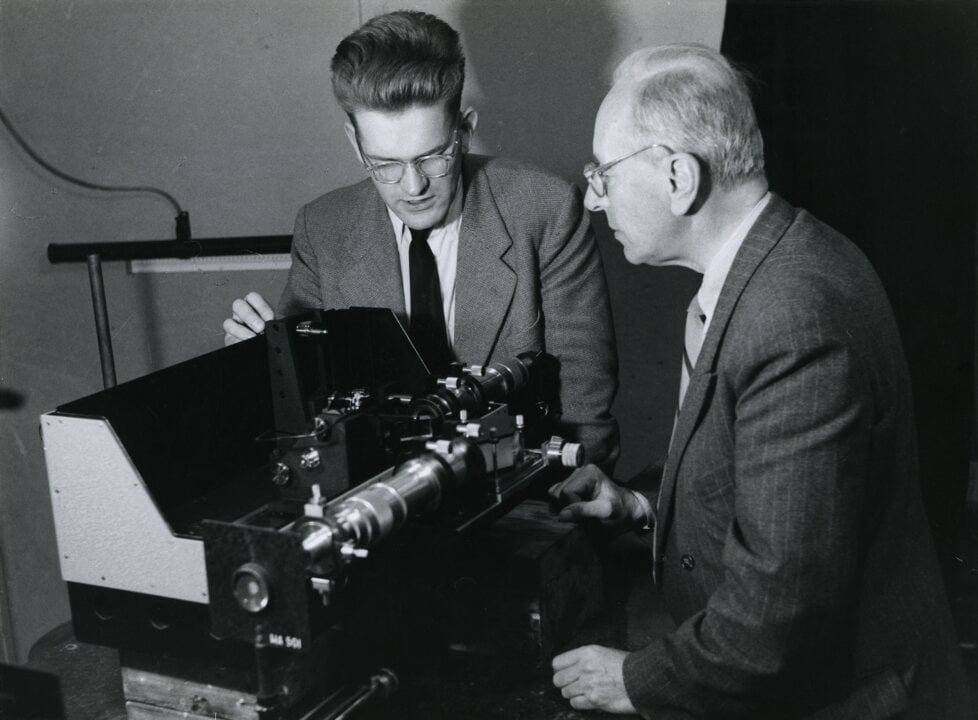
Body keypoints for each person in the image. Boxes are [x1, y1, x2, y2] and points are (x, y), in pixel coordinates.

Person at [549, 43, 973, 718]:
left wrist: (635, 680)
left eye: (603, 173)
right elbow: (760, 491)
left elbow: (777, 613)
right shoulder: (778, 259)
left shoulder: (793, 317)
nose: (595, 201)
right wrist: (639, 506)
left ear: (680, 177)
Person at [222, 10, 618, 468]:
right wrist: (260, 363)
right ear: (355, 143)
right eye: (385, 164)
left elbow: (585, 421)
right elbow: (305, 413)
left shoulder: (544, 210)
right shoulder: (322, 228)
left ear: (464, 131)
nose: (413, 187)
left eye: (433, 158)